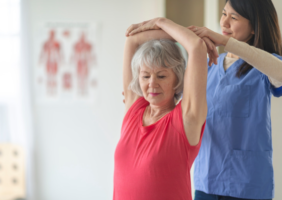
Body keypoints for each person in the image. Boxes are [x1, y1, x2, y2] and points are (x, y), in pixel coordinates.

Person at [125, 0, 282, 199]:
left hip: (248, 184)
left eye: (234, 18)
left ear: (255, 27)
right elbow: (172, 97)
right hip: (206, 180)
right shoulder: (208, 65)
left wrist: (225, 41)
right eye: (224, 13)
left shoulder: (263, 67)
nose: (224, 23)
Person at [114, 19, 209, 200]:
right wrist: (180, 32)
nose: (152, 84)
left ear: (177, 79)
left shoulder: (186, 118)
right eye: (145, 76)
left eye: (162, 75)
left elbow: (196, 46)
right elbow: (132, 40)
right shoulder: (134, 109)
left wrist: (161, 22)